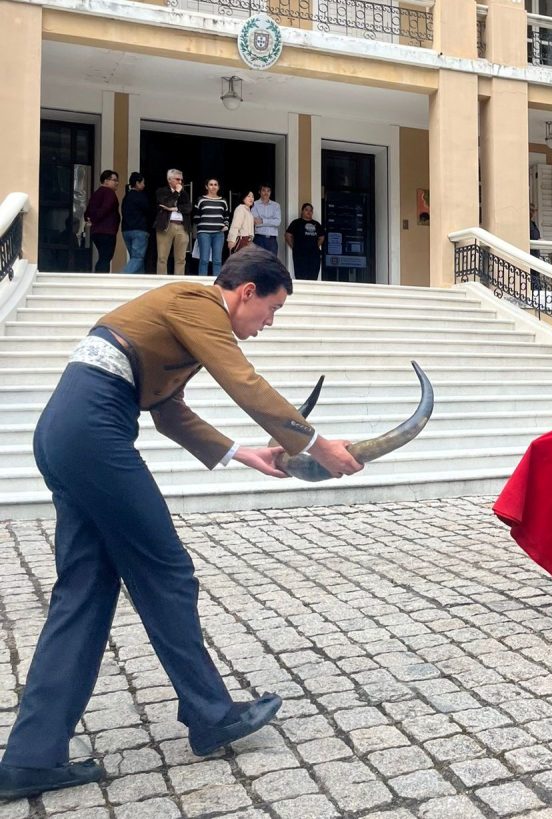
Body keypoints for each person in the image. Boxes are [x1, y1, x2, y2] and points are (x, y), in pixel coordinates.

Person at [0, 247, 364, 801]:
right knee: (167, 570)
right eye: (271, 311)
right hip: (93, 432)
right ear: (246, 292)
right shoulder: (196, 302)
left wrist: (244, 453)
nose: (268, 324)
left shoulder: (183, 323)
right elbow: (244, 381)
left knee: (85, 590)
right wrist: (315, 445)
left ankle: (30, 760)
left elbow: (169, 410)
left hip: (68, 432)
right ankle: (210, 713)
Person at [154, 169, 192, 275]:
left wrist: (175, 209)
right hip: (166, 225)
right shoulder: (162, 191)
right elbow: (167, 203)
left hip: (181, 226)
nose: (180, 182)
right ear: (169, 179)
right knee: (162, 257)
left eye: (181, 180)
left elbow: (189, 208)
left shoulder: (184, 193)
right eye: (177, 179)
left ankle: (178, 281)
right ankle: (161, 282)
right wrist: (176, 193)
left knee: (181, 258)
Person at [193, 178, 230, 278]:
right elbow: (196, 216)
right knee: (204, 259)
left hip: (219, 234)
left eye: (215, 185)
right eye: (211, 184)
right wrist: (202, 226)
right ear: (206, 186)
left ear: (218, 187)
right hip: (204, 233)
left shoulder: (223, 201)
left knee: (217, 260)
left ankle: (216, 284)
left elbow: (226, 216)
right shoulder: (201, 200)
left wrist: (226, 225)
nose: (213, 187)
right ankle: (202, 283)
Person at [84, 169, 120, 273]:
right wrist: (95, 218)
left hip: (96, 232)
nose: (116, 183)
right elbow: (106, 208)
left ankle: (99, 277)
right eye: (114, 180)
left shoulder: (96, 193)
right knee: (105, 258)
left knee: (103, 257)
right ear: (106, 181)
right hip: (107, 231)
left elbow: (87, 212)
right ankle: (101, 278)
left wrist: (90, 219)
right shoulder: (109, 193)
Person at [285, 203, 326, 281]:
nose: (309, 212)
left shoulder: (316, 224)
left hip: (314, 255)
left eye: (311, 210)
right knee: (300, 276)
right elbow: (288, 235)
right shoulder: (296, 223)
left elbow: (322, 237)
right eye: (306, 210)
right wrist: (294, 247)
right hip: (300, 254)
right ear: (302, 211)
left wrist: (316, 246)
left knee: (313, 277)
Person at [120, 172, 150, 274]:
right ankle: (121, 278)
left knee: (135, 258)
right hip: (139, 230)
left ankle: (140, 282)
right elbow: (148, 211)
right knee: (137, 258)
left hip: (126, 230)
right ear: (137, 183)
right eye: (142, 183)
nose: (144, 185)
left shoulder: (126, 197)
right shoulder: (140, 197)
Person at [251, 184, 282, 254]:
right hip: (259, 239)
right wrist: (271, 221)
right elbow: (256, 222)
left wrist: (262, 220)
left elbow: (277, 222)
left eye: (268, 191)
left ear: (270, 192)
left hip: (272, 240)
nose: (266, 193)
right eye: (263, 190)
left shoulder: (276, 205)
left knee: (271, 263)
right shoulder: (254, 204)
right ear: (259, 192)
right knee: (258, 263)